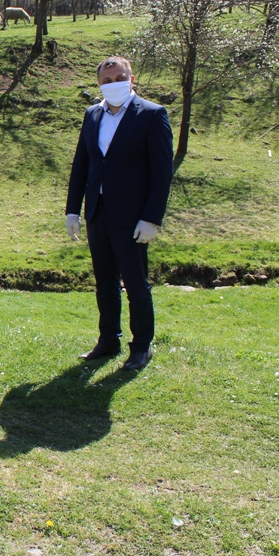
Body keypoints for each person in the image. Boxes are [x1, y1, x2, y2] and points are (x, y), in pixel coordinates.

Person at [65, 56, 174, 371]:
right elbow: (82, 164)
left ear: (132, 79)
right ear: (99, 84)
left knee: (136, 284)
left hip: (133, 217)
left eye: (120, 78)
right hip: (97, 212)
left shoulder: (152, 114)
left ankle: (141, 347)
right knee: (105, 283)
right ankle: (108, 339)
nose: (114, 84)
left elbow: (162, 173)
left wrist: (152, 218)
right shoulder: (92, 114)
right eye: (107, 81)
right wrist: (73, 210)